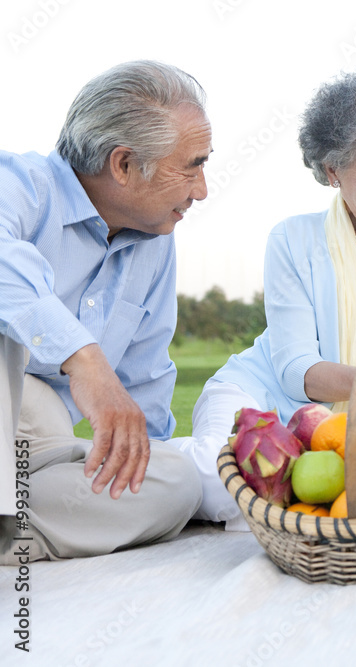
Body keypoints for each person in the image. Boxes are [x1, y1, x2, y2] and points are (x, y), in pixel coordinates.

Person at [173, 71, 356, 528]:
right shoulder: (293, 239)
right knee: (222, 489)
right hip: (265, 398)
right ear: (333, 171)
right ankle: (157, 458)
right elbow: (296, 372)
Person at [0, 61, 208, 563]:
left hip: (38, 453)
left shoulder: (156, 241)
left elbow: (145, 375)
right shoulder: (20, 185)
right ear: (123, 164)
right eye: (192, 165)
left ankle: (9, 529)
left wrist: (146, 459)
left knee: (177, 481)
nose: (201, 190)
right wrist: (85, 360)